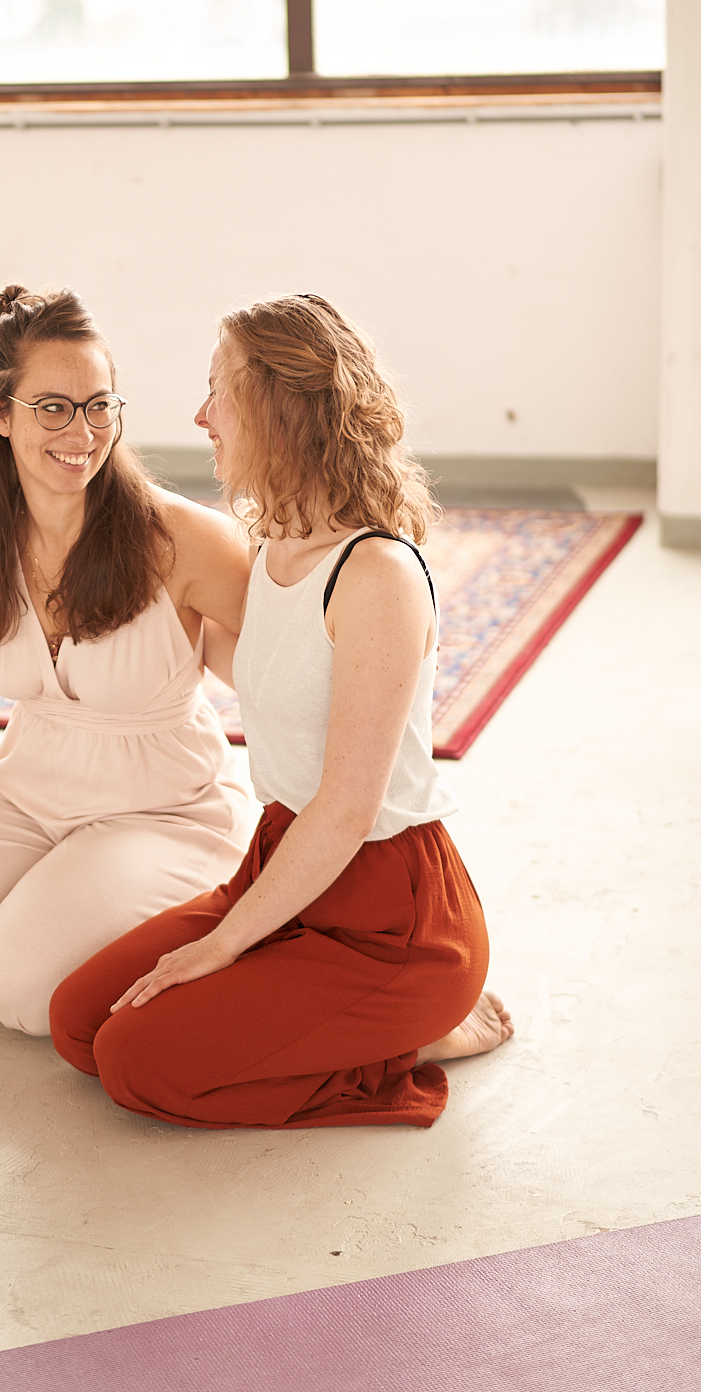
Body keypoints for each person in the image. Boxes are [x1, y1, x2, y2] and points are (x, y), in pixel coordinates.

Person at [50, 292, 513, 1129]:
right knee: (79, 1024)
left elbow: (347, 809)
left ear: (278, 409)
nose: (201, 416)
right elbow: (267, 675)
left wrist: (223, 944)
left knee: (135, 1064)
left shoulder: (377, 575)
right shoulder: (274, 546)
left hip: (391, 916)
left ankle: (418, 1037)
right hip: (284, 862)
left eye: (218, 392)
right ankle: (336, 1019)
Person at [0, 285, 256, 1036]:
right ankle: (61, 906)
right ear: (0, 416)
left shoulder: (181, 537)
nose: (82, 431)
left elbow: (280, 667)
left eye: (99, 406)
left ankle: (170, 905)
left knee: (21, 989)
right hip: (29, 795)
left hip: (164, 810)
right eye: (53, 408)